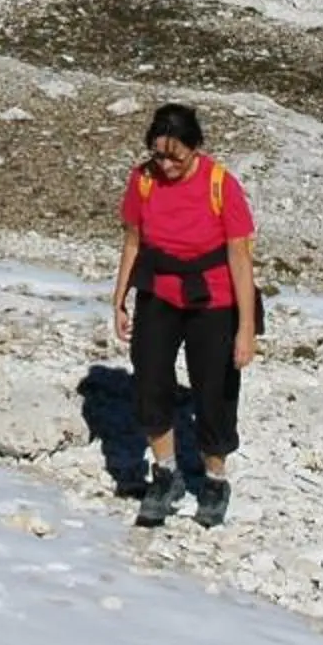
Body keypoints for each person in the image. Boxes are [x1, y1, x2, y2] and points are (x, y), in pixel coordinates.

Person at [110, 103, 258, 529]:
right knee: (149, 378)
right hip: (159, 290)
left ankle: (214, 480)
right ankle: (165, 474)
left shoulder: (220, 185)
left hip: (213, 298)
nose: (167, 165)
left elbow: (240, 257)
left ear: (196, 147)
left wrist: (246, 328)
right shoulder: (142, 180)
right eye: (159, 155)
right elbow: (133, 241)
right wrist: (119, 299)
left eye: (176, 156)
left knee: (214, 388)